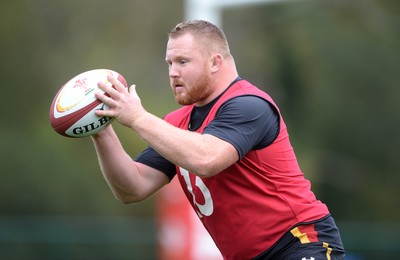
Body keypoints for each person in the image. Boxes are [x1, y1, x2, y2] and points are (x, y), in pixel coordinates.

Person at [92, 20, 345, 259]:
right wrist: (99, 129)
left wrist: (137, 118)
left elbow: (206, 158)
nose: (173, 72)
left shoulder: (248, 104)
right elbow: (132, 187)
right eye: (169, 63)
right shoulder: (176, 123)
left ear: (215, 62)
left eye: (182, 61)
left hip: (298, 243)